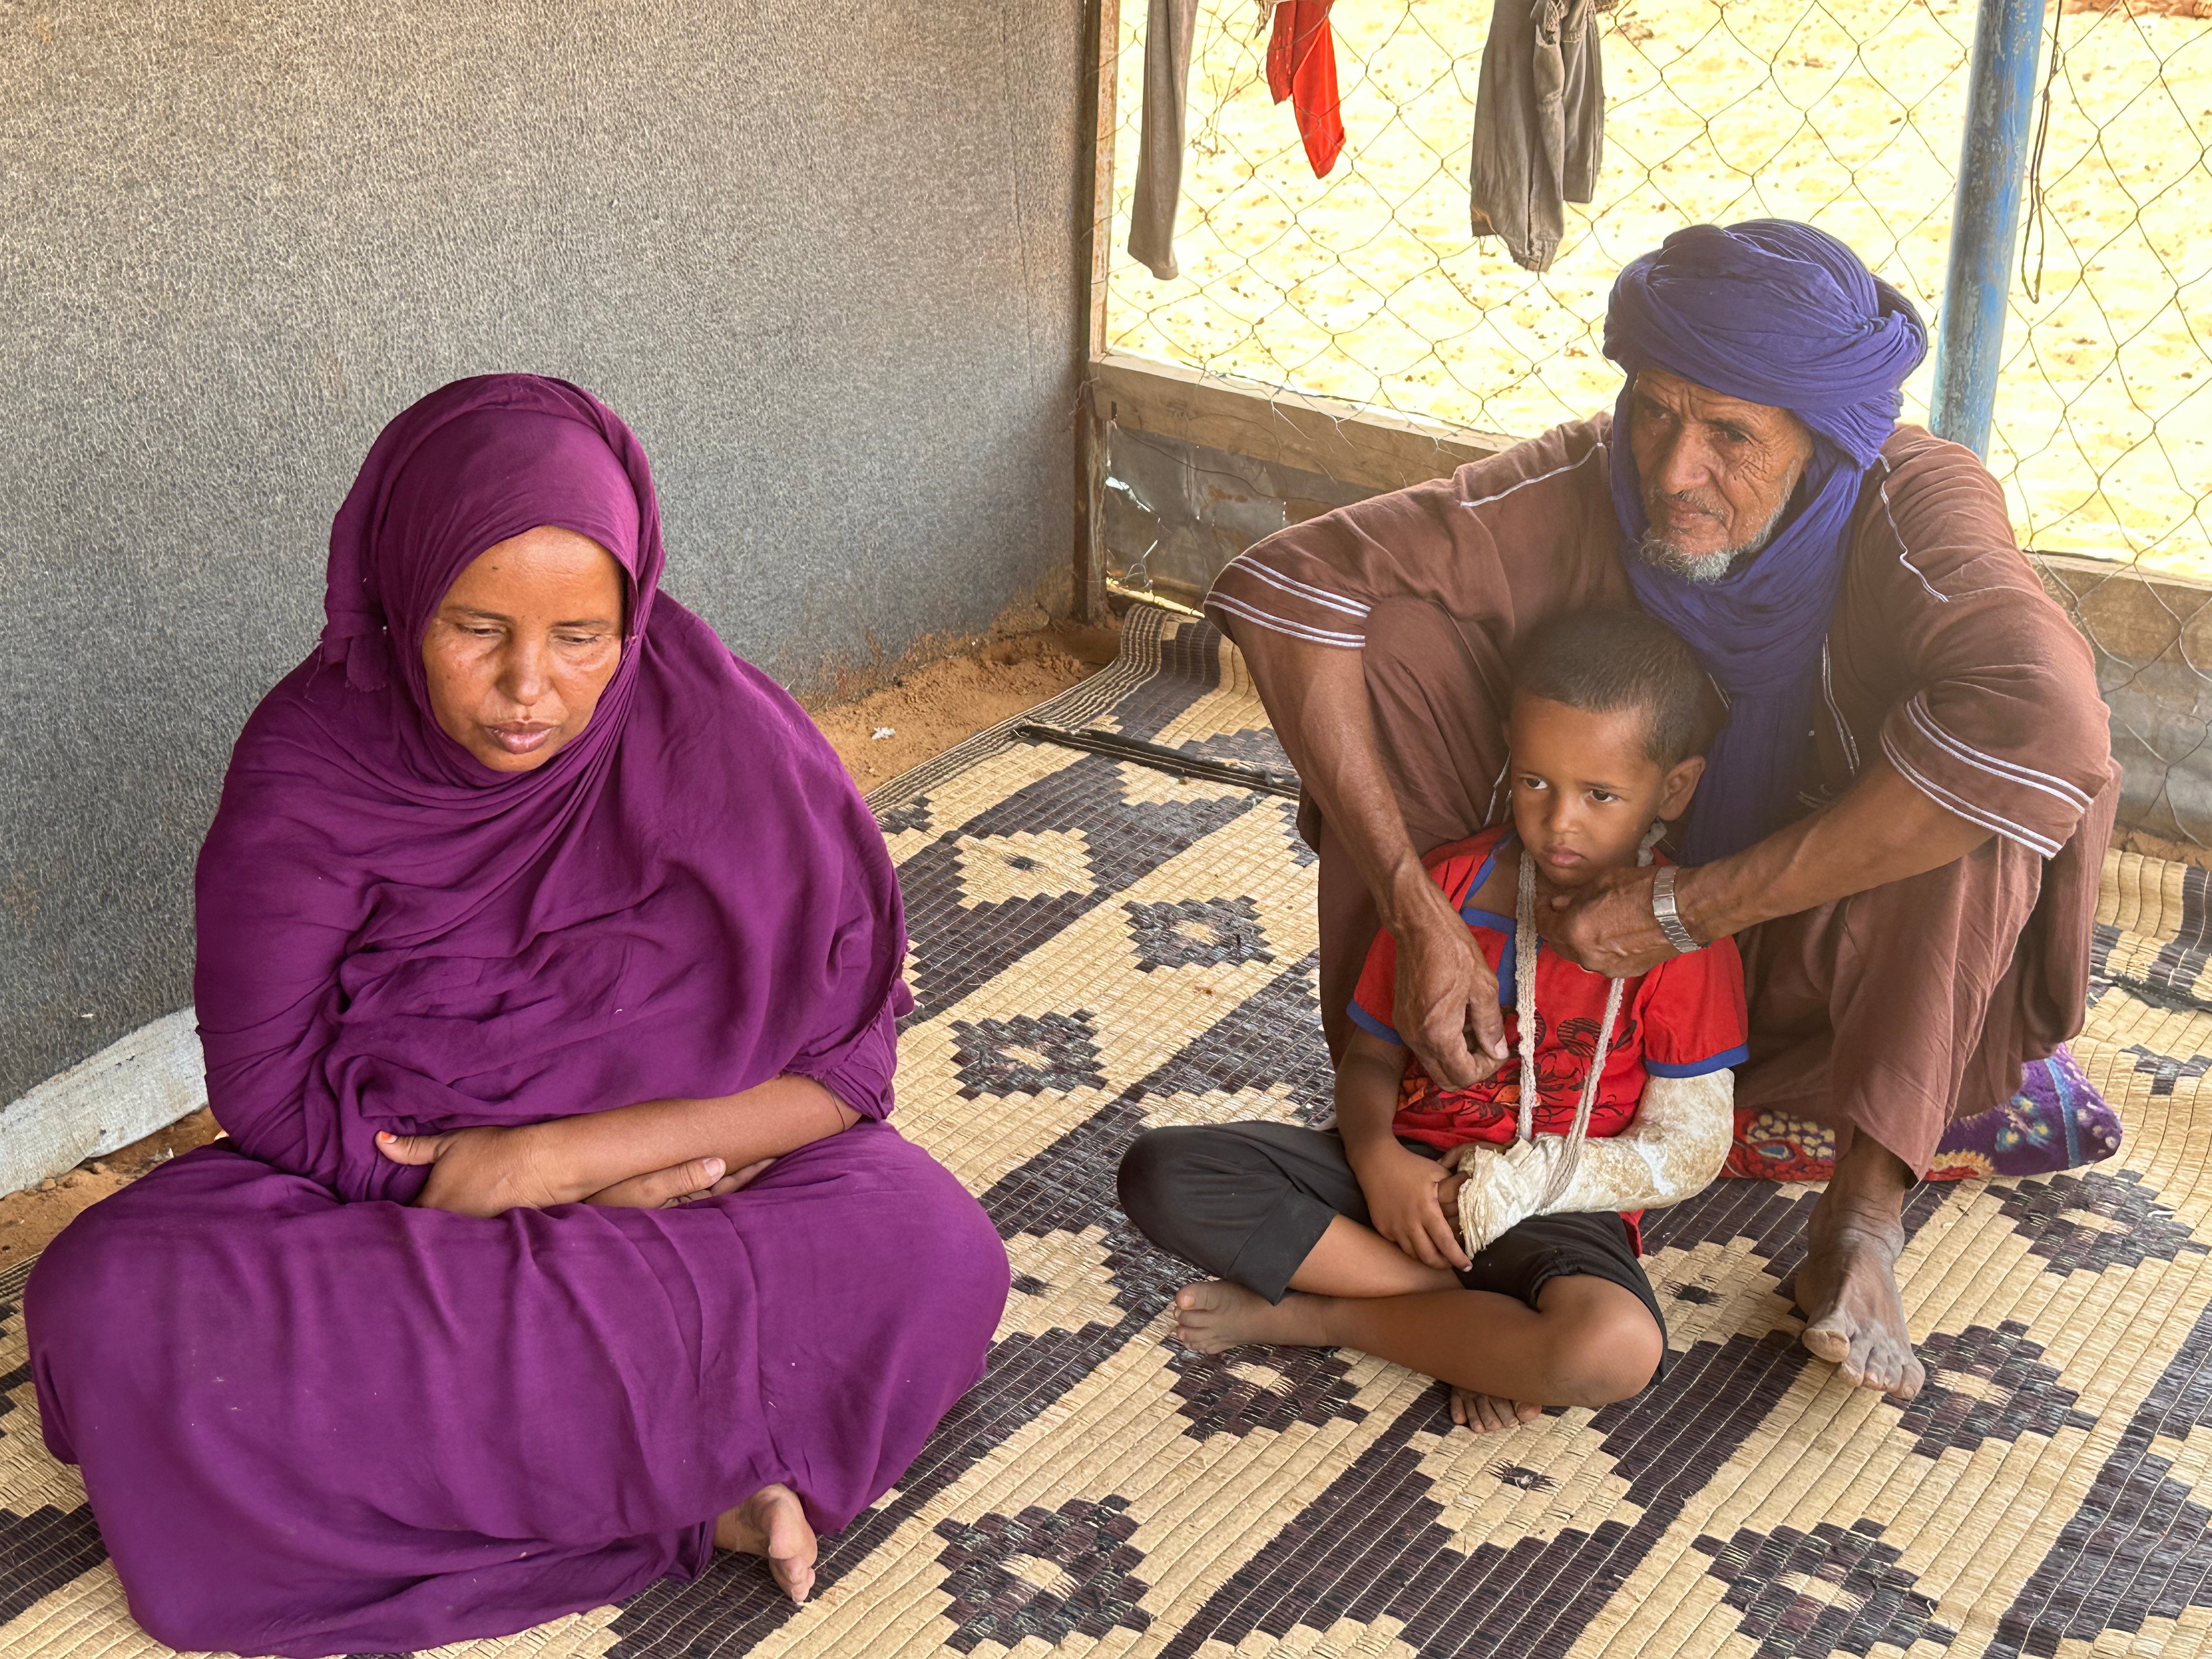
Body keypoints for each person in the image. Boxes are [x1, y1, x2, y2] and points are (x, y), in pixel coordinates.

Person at [25, 375, 1011, 1658]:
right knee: (113, 1298)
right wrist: (473, 1190)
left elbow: (851, 1063)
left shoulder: (715, 727)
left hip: (671, 1182)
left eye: (582, 638)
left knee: (926, 1245)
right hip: (402, 1206)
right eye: (474, 629)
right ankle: (686, 1488)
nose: (528, 690)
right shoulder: (314, 763)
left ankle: (557, 1473)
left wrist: (560, 1166)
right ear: (398, 599)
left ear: (636, 611)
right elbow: (268, 1097)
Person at [1199, 220, 2118, 1403]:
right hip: (1555, 958)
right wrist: (1419, 908)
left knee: (1974, 785)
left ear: (1827, 439)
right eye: (1655, 410)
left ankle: (1863, 1216)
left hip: (1818, 977)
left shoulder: (1916, 498)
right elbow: (1290, 584)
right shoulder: (1598, 471)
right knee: (1390, 638)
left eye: (1733, 434)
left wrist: (1687, 909)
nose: (1675, 470)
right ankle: (1437, 1077)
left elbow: (2051, 727)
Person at [1120, 607, 1747, 1430]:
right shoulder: (1445, 889)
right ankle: (1472, 1329)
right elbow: (1372, 1058)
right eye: (1535, 783)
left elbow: (1692, 1146)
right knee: (1163, 1173)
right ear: (1508, 756)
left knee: (1618, 1349)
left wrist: (1518, 1186)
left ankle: (1321, 1316)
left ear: (1673, 787)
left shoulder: (1683, 940)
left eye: (1601, 795)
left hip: (1554, 1215)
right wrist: (1379, 1160)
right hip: (1405, 1184)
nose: (1561, 822)